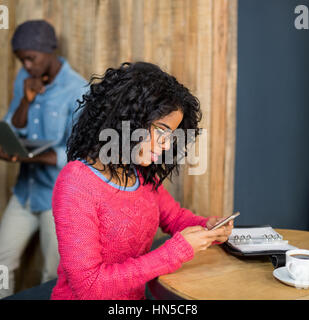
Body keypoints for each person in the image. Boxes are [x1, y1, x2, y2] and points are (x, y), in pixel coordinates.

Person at [50, 61, 234, 300]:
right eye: (161, 130)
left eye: (171, 135)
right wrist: (175, 251)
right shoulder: (76, 183)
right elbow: (89, 286)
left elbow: (175, 218)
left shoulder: (139, 174)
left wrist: (208, 226)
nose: (167, 144)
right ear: (128, 121)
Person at [0, 20, 88, 300]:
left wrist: (31, 157)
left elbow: (80, 154)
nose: (27, 65)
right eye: (22, 60)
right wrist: (25, 101)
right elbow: (13, 126)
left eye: (32, 58)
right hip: (25, 192)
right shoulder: (24, 78)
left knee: (52, 277)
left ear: (50, 50)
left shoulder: (77, 89)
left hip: (57, 198)